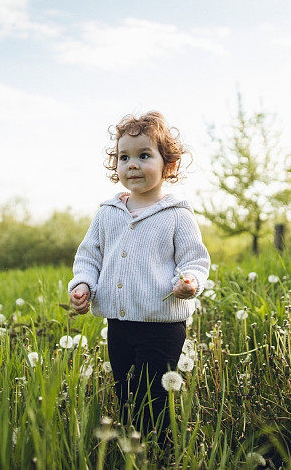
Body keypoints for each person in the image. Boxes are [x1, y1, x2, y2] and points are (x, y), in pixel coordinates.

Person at [68, 111, 210, 444]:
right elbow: (89, 257)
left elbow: (195, 259)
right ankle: (133, 443)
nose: (132, 163)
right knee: (124, 388)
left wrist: (189, 280)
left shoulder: (177, 215)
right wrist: (83, 284)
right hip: (118, 323)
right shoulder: (108, 213)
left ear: (167, 165)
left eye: (144, 155)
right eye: (124, 157)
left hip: (162, 326)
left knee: (154, 395)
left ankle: (157, 449)